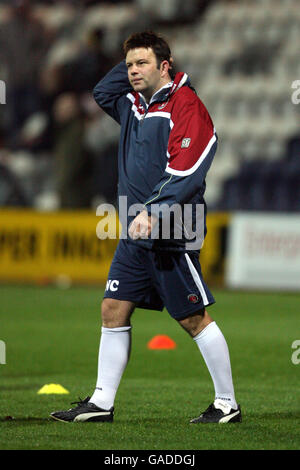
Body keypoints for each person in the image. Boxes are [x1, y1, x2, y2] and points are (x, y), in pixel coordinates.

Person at [50, 31, 241, 424]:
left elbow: (188, 168)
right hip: (136, 230)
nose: (133, 71)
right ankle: (101, 403)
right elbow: (103, 91)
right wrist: (135, 65)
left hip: (173, 227)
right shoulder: (131, 104)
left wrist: (153, 211)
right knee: (113, 308)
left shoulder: (187, 106)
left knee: (192, 317)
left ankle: (227, 404)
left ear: (165, 66)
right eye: (129, 65)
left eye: (142, 64)